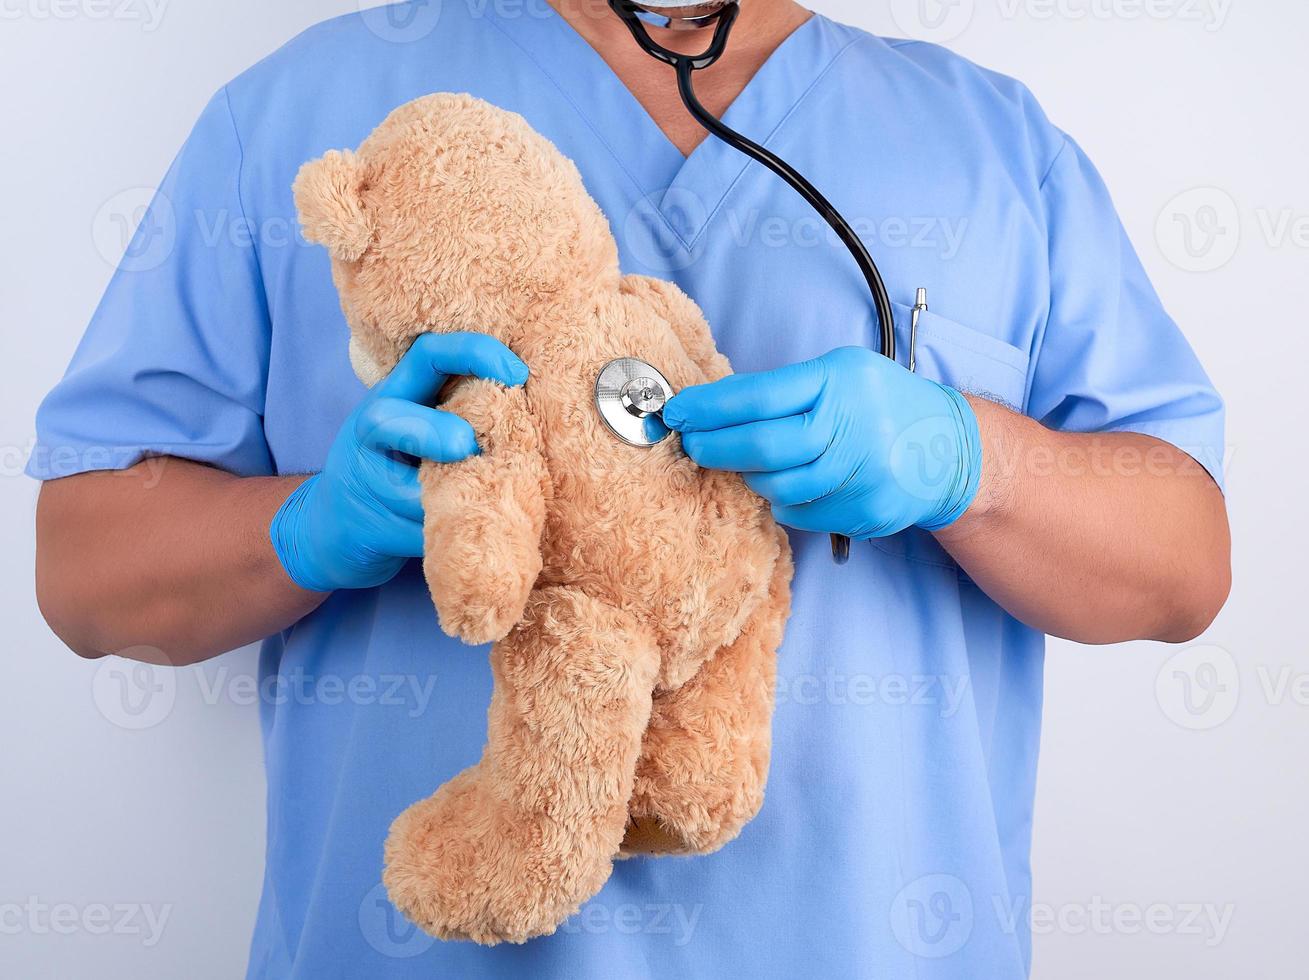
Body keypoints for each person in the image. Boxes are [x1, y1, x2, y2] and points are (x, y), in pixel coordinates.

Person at [30, 1, 1230, 977]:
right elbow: (83, 574)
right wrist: (308, 524)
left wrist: (969, 460)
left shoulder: (990, 146)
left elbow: (1183, 561)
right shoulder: (300, 114)